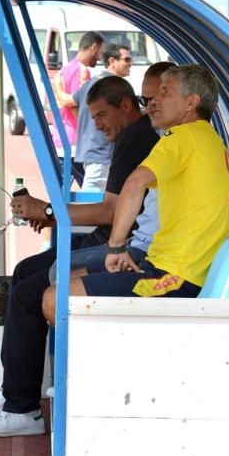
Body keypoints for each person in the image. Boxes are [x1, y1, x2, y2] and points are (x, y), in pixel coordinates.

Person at [0, 76, 160, 430]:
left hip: (124, 248)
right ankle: (17, 387)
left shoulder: (139, 136)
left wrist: (47, 212)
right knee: (27, 271)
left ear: (126, 106)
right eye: (93, 117)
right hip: (115, 242)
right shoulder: (138, 137)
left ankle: (21, 406)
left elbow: (110, 211)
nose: (98, 124)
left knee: (29, 292)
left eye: (103, 115)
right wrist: (52, 216)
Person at [72, 64, 229, 299]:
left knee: (56, 297)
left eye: (165, 93)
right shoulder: (214, 143)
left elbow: (135, 184)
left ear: (191, 103)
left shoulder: (182, 136)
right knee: (66, 280)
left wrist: (116, 247)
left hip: (176, 274)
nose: (154, 102)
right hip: (182, 268)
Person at [43, 61, 176, 316]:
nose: (150, 107)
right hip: (146, 247)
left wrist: (50, 213)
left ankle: (62, 355)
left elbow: (115, 208)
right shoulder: (165, 138)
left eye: (159, 97)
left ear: (189, 100)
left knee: (51, 283)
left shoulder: (151, 137)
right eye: (146, 100)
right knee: (48, 275)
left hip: (148, 254)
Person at [73, 44, 132, 195]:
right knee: (92, 201)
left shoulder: (94, 81)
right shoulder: (110, 85)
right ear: (112, 61)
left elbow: (73, 103)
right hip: (102, 155)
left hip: (88, 153)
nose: (130, 64)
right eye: (126, 59)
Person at [50, 31, 105, 187]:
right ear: (94, 47)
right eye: (100, 52)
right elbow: (76, 105)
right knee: (90, 191)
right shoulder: (82, 70)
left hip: (62, 138)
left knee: (61, 192)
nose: (100, 57)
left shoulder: (63, 70)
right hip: (75, 142)